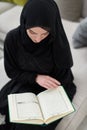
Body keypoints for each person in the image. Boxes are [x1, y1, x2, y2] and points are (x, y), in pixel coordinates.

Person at [0, 0, 76, 130]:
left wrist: (50, 91)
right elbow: (12, 72)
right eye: (33, 33)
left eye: (44, 33)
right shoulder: (12, 39)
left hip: (51, 85)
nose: (38, 39)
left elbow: (63, 75)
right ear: (24, 24)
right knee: (19, 120)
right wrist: (35, 77)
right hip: (25, 81)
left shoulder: (56, 40)